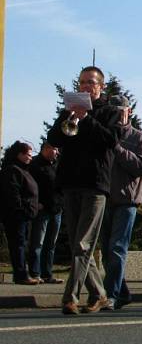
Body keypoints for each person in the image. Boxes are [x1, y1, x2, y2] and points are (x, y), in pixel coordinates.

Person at [47, 66, 120, 315]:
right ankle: (100, 295)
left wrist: (87, 118)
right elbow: (54, 139)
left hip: (95, 184)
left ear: (101, 86)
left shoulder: (110, 112)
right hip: (70, 183)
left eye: (91, 82)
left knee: (82, 243)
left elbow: (110, 141)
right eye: (82, 83)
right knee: (82, 246)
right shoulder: (69, 113)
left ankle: (70, 297)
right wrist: (69, 117)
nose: (86, 86)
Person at [99, 95, 142, 310]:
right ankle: (123, 293)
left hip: (127, 201)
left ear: (129, 111)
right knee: (105, 251)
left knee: (117, 249)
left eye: (122, 110)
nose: (118, 114)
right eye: (114, 110)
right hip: (104, 197)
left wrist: (118, 149)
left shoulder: (140, 138)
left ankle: (110, 295)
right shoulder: (103, 135)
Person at [0, 141, 39, 285]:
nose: (30, 157)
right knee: (18, 245)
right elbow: (13, 193)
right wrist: (21, 209)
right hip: (16, 216)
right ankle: (21, 275)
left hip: (24, 215)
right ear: (19, 155)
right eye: (28, 155)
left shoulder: (23, 170)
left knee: (21, 244)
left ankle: (23, 273)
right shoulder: (12, 170)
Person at [27, 141, 63, 284]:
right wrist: (35, 203)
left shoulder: (57, 165)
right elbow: (29, 186)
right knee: (37, 243)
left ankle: (47, 274)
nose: (57, 152)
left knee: (50, 244)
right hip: (42, 210)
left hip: (56, 209)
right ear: (46, 149)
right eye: (54, 149)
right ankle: (35, 273)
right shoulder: (35, 165)